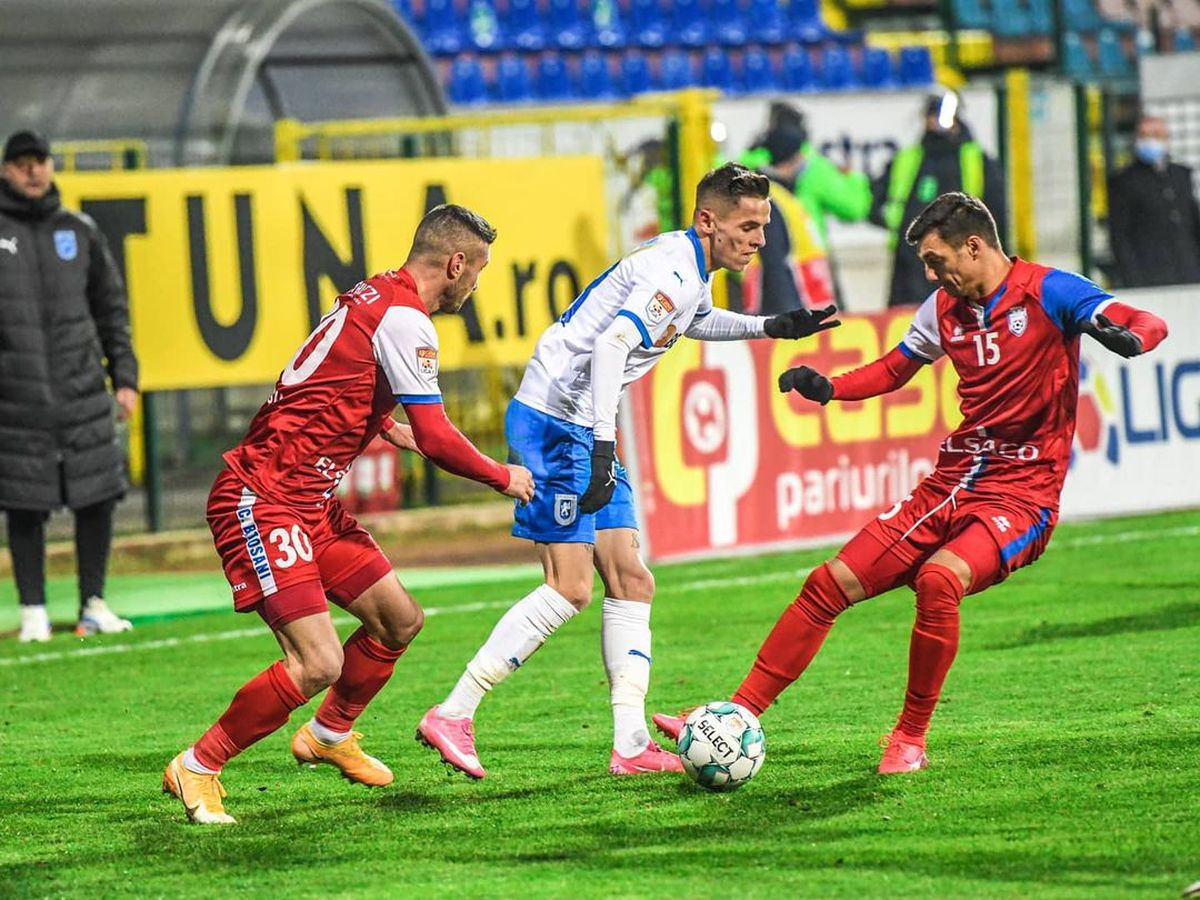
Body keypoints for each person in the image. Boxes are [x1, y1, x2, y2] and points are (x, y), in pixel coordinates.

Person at [653, 192, 1168, 774]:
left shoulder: (1050, 291)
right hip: (949, 484)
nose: (928, 273)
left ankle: (909, 738)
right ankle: (735, 714)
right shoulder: (943, 307)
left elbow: (1141, 319)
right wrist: (830, 388)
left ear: (974, 246)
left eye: (934, 257)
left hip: (1023, 498)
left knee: (938, 580)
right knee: (829, 583)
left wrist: (1134, 337)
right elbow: (895, 369)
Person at [416, 163, 840, 779]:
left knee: (631, 580)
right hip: (557, 422)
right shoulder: (673, 268)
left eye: (763, 226)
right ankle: (453, 712)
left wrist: (770, 327)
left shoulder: (689, 268)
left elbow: (692, 319)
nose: (758, 239)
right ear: (708, 221)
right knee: (570, 587)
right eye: (748, 226)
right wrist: (603, 447)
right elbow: (614, 344)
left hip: (582, 426)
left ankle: (632, 743)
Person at [162, 204, 535, 824]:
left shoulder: (374, 293)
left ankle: (329, 734)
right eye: (479, 272)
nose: (477, 286)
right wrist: (502, 476)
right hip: (264, 498)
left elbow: (329, 373)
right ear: (456, 263)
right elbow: (439, 437)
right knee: (318, 662)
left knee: (399, 620)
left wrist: (379, 422)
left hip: (309, 501)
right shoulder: (408, 319)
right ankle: (199, 765)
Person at [0, 129, 139, 642]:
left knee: (96, 496)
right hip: (16, 395)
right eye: (21, 163)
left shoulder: (79, 231)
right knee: (25, 503)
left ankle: (92, 604)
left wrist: (124, 377)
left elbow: (112, 310)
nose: (33, 170)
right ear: (6, 170)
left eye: (40, 161)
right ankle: (33, 611)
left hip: (81, 389)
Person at [871, 92, 1007, 307]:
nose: (934, 121)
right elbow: (873, 199)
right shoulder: (906, 159)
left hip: (962, 260)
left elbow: (997, 213)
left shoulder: (975, 159)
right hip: (911, 263)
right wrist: (894, 224)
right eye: (931, 114)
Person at [1107, 114, 1200, 288]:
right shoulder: (1124, 180)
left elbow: (1192, 222)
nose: (1150, 141)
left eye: (1156, 135)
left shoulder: (1181, 175)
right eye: (1144, 135)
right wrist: (1132, 277)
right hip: (1149, 275)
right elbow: (1119, 235)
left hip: (1188, 270)